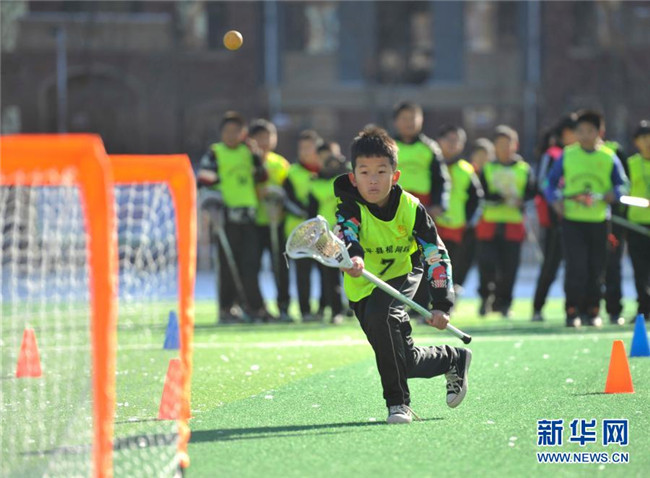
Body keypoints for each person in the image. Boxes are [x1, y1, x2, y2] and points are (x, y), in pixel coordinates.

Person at [334, 126, 471, 424]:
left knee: (382, 315)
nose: (373, 180)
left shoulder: (412, 209)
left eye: (381, 172)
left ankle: (398, 404)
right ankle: (452, 358)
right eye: (365, 172)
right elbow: (347, 235)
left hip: (404, 273)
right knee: (399, 359)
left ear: (395, 176)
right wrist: (352, 257)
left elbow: (435, 254)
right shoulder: (347, 208)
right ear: (353, 177)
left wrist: (442, 304)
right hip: (362, 286)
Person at [544, 110, 628, 327]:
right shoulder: (567, 154)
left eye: (589, 131)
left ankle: (593, 311)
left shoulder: (608, 157)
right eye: (580, 131)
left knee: (596, 269)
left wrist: (613, 194)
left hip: (599, 221)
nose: (584, 135)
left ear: (599, 132)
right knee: (576, 268)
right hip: (572, 220)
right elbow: (549, 184)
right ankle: (572, 311)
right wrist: (555, 201)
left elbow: (623, 185)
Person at [197, 111, 268, 323]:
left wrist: (256, 155)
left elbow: (262, 176)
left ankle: (254, 307)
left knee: (250, 264)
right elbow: (204, 183)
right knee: (227, 265)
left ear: (243, 133)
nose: (231, 135)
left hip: (249, 217)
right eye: (227, 131)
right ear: (221, 133)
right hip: (225, 218)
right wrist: (213, 206)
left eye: (236, 131)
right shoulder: (215, 153)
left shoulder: (248, 152)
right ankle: (227, 308)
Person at [392, 101, 451, 316]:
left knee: (425, 255)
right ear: (396, 121)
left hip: (422, 208)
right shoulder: (388, 147)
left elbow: (441, 180)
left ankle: (421, 306)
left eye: (413, 118)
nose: (409, 122)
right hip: (394, 208)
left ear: (421, 120)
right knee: (398, 256)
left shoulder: (430, 148)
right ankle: (394, 304)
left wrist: (439, 205)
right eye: (404, 118)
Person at [476, 125, 536, 318]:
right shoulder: (487, 168)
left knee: (509, 267)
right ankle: (486, 298)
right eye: (500, 144)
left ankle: (504, 303)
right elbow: (481, 194)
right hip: (490, 223)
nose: (504, 148)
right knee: (487, 265)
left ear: (515, 145)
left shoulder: (524, 169)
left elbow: (532, 194)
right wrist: (497, 198)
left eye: (507, 144)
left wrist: (522, 201)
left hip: (513, 224)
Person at [531, 113, 577, 321]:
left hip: (577, 218)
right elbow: (543, 184)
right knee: (550, 265)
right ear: (566, 133)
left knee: (577, 266)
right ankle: (537, 308)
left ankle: (575, 308)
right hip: (554, 221)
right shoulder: (553, 154)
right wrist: (558, 202)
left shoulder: (579, 155)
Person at [249, 119, 292, 322]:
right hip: (255, 223)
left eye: (269, 137)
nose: (265, 141)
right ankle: (257, 308)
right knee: (252, 267)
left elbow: (289, 191)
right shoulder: (248, 161)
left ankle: (283, 306)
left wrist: (279, 199)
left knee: (281, 267)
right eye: (260, 137)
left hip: (278, 222)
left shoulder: (280, 163)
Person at [434, 125, 483, 294]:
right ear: (439, 141)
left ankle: (447, 299)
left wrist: (470, 220)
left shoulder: (467, 169)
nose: (452, 144)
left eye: (457, 141)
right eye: (449, 139)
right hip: (431, 225)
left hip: (456, 227)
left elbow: (477, 198)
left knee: (451, 266)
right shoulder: (431, 164)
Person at [284, 130, 323, 322]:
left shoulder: (326, 171)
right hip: (299, 232)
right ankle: (305, 310)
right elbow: (288, 200)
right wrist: (308, 216)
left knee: (327, 272)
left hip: (324, 232)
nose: (306, 152)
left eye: (310, 147)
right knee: (302, 273)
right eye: (302, 148)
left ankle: (325, 307)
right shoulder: (292, 173)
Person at [308, 150, 348, 324]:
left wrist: (343, 165)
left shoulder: (343, 179)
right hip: (325, 235)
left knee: (353, 271)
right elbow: (311, 212)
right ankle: (335, 311)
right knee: (330, 275)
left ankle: (356, 308)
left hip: (347, 231)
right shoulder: (314, 184)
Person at [600, 120, 630, 326]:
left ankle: (613, 309)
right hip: (583, 220)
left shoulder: (613, 152)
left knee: (612, 265)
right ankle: (586, 309)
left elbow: (624, 184)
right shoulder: (572, 154)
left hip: (613, 221)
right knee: (587, 266)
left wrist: (615, 199)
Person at [626, 120, 650, 322]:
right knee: (640, 270)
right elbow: (622, 194)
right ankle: (643, 308)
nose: (648, 141)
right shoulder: (630, 164)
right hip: (636, 224)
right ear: (636, 142)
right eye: (643, 138)